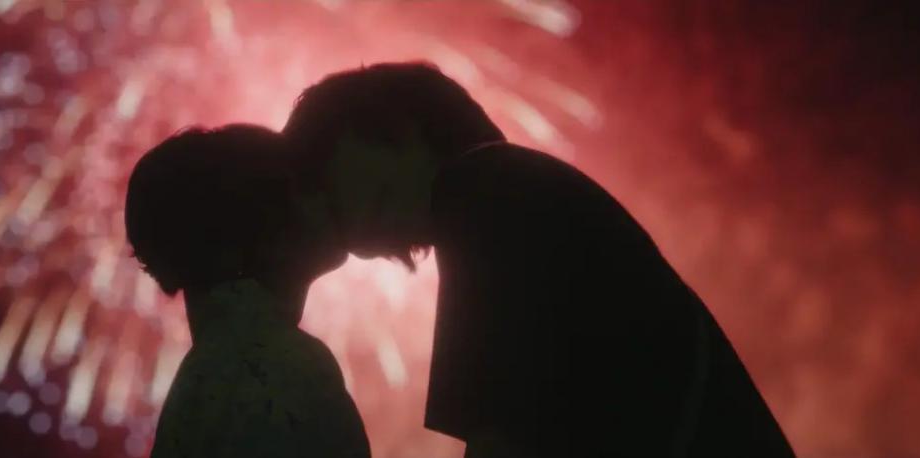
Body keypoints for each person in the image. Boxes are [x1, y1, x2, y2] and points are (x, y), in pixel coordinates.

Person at [282, 62, 795, 457]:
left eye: (323, 170)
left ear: (392, 129)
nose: (326, 213)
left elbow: (499, 440)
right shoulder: (516, 190)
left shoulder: (484, 192)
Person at [124, 124, 370, 458]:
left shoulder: (210, 373)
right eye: (305, 189)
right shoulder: (282, 366)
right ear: (257, 223)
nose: (329, 199)